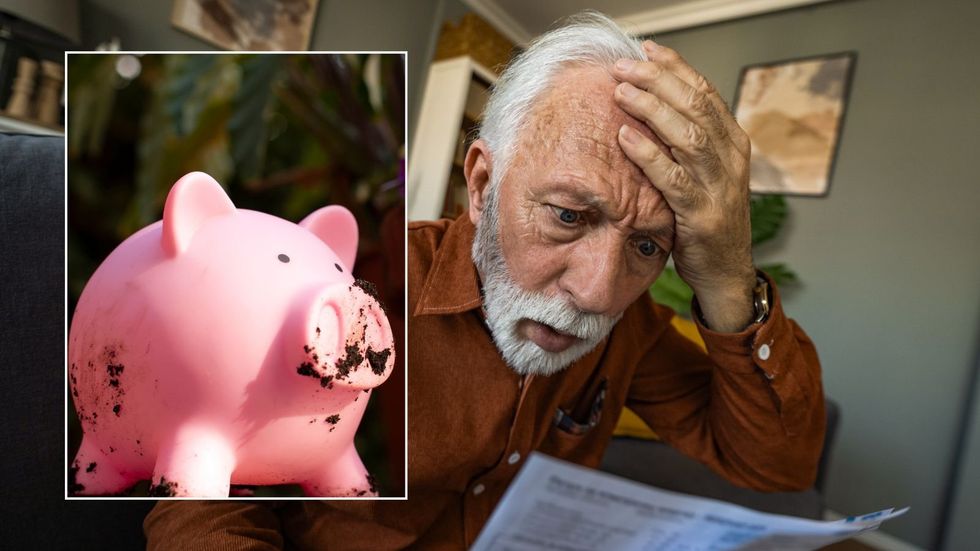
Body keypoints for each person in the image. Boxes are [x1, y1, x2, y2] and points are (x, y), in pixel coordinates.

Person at [145, 12, 824, 550]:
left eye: (647, 244)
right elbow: (202, 504)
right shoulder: (346, 289)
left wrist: (731, 270)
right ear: (480, 184)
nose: (598, 290)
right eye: (567, 214)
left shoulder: (631, 326)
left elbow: (777, 465)